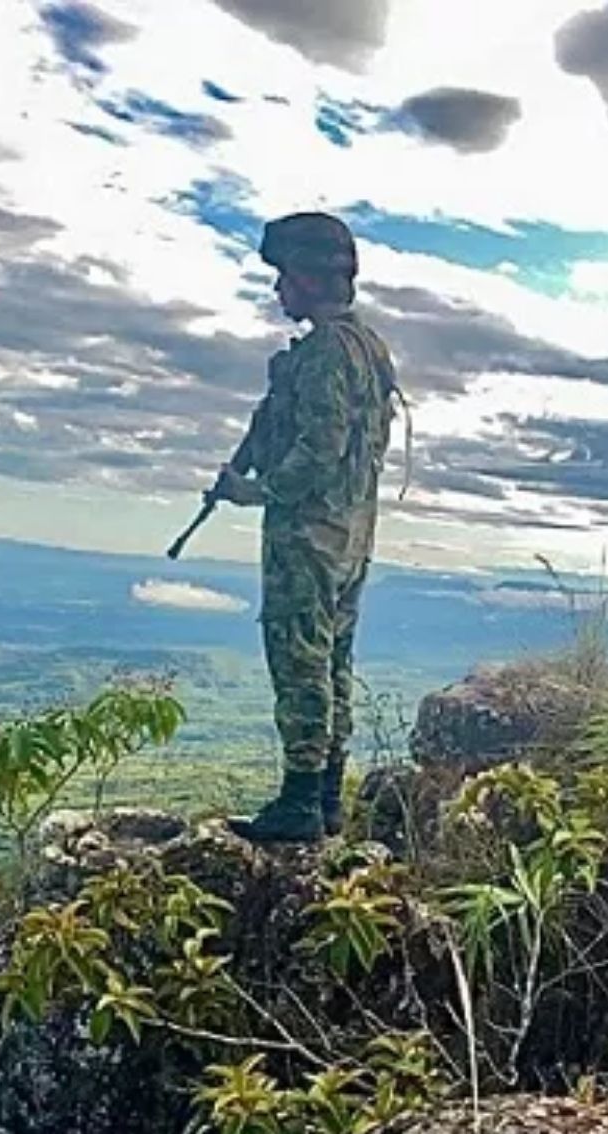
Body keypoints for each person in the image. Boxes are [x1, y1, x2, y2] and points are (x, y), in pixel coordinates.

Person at [211, 212, 399, 842]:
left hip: (309, 537)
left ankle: (299, 804)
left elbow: (319, 449)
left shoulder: (326, 352)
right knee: (332, 663)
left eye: (283, 276)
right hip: (351, 535)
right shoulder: (369, 348)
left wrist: (253, 492)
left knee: (299, 660)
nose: (277, 291)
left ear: (312, 279)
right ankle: (324, 801)